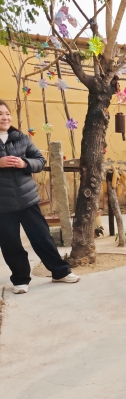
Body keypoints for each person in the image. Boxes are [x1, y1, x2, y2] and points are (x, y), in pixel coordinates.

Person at [0, 100, 79, 294]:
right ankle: (20, 279)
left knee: (42, 237)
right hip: (3, 204)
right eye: (0, 114)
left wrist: (24, 163)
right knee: (10, 243)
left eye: (7, 113)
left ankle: (60, 272)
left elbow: (40, 161)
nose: (5, 117)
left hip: (27, 199)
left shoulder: (21, 138)